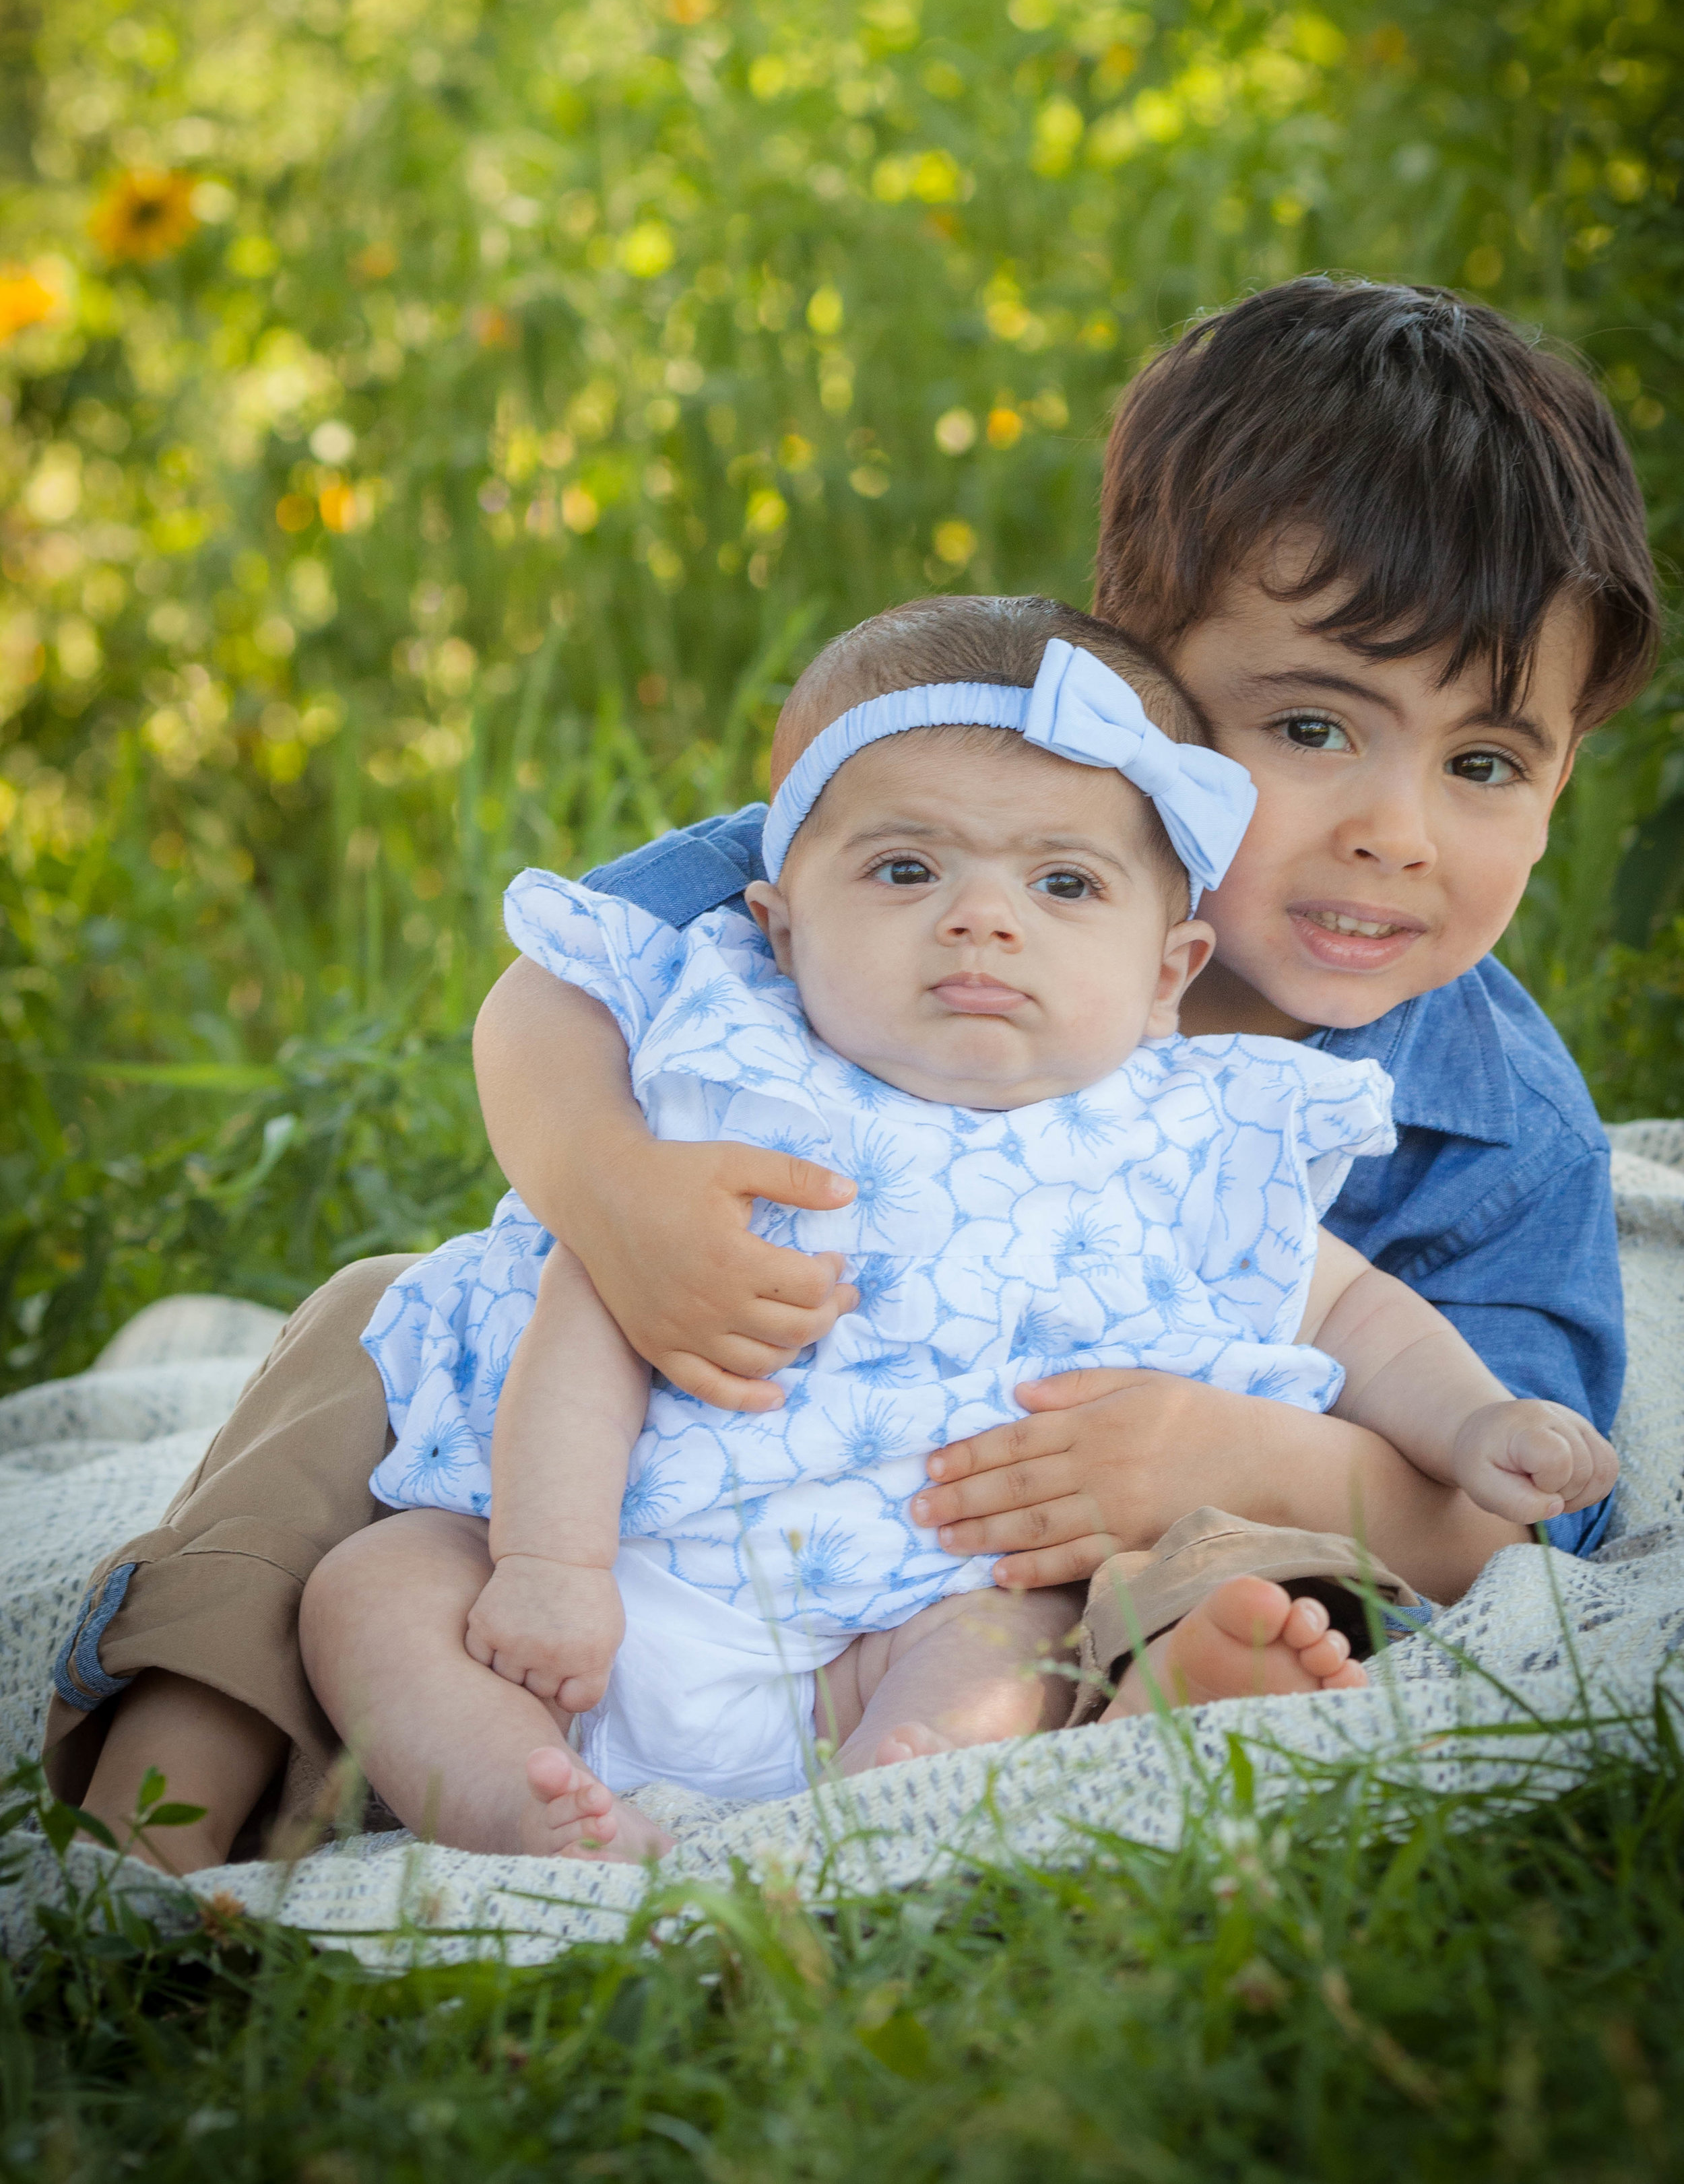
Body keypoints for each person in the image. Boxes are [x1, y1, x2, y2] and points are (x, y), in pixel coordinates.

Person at [45, 277, 1659, 1874]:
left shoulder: (1496, 1120)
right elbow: (555, 995)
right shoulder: (923, 842)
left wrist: (1241, 1457)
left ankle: (1143, 1716)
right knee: (376, 1320)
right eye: (1311, 729)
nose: (1396, 828)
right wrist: (616, 1201)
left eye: (1483, 764)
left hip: (996, 1557)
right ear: (1122, 691)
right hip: (677, 1460)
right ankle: (184, 1747)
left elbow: (1522, 1511)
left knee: (1244, 1561)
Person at [298, 601, 1615, 1861]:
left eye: (1059, 884)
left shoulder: (1189, 1140)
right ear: (779, 924)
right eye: (908, 871)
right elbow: (591, 1310)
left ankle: (894, 1793)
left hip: (910, 1608)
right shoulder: (746, 1087)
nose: (981, 917)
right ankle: (522, 1806)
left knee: (1012, 1646)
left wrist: (1473, 1423)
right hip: (615, 1586)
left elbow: (1351, 1311)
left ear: (1169, 973)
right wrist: (545, 1564)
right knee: (375, 1589)